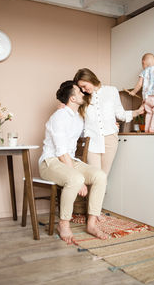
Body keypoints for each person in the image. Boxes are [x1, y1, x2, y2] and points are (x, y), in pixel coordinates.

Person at [38, 80, 108, 244]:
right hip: (51, 161)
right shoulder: (59, 117)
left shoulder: (77, 118)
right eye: (79, 91)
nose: (83, 93)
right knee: (76, 179)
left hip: (69, 160)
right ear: (73, 99)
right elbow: (61, 153)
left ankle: (91, 223)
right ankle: (63, 224)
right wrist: (79, 180)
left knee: (100, 176)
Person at [73, 68, 144, 175]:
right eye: (81, 88)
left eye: (84, 86)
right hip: (91, 140)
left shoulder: (112, 91)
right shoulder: (83, 98)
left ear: (90, 79)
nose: (83, 90)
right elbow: (77, 119)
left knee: (104, 176)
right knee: (95, 176)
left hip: (110, 138)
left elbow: (120, 114)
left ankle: (100, 192)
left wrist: (137, 112)